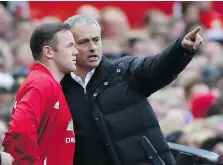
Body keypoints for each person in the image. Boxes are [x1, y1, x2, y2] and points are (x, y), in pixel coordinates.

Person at [61, 15, 203, 165]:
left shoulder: (124, 71)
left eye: (96, 40)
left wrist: (180, 49)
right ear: (69, 47)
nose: (93, 47)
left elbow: (158, 66)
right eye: (84, 42)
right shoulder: (60, 90)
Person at [3, 22, 78, 165]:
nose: (76, 51)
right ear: (49, 52)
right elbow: (20, 128)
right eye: (69, 46)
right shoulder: (42, 83)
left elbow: (10, 139)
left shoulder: (45, 82)